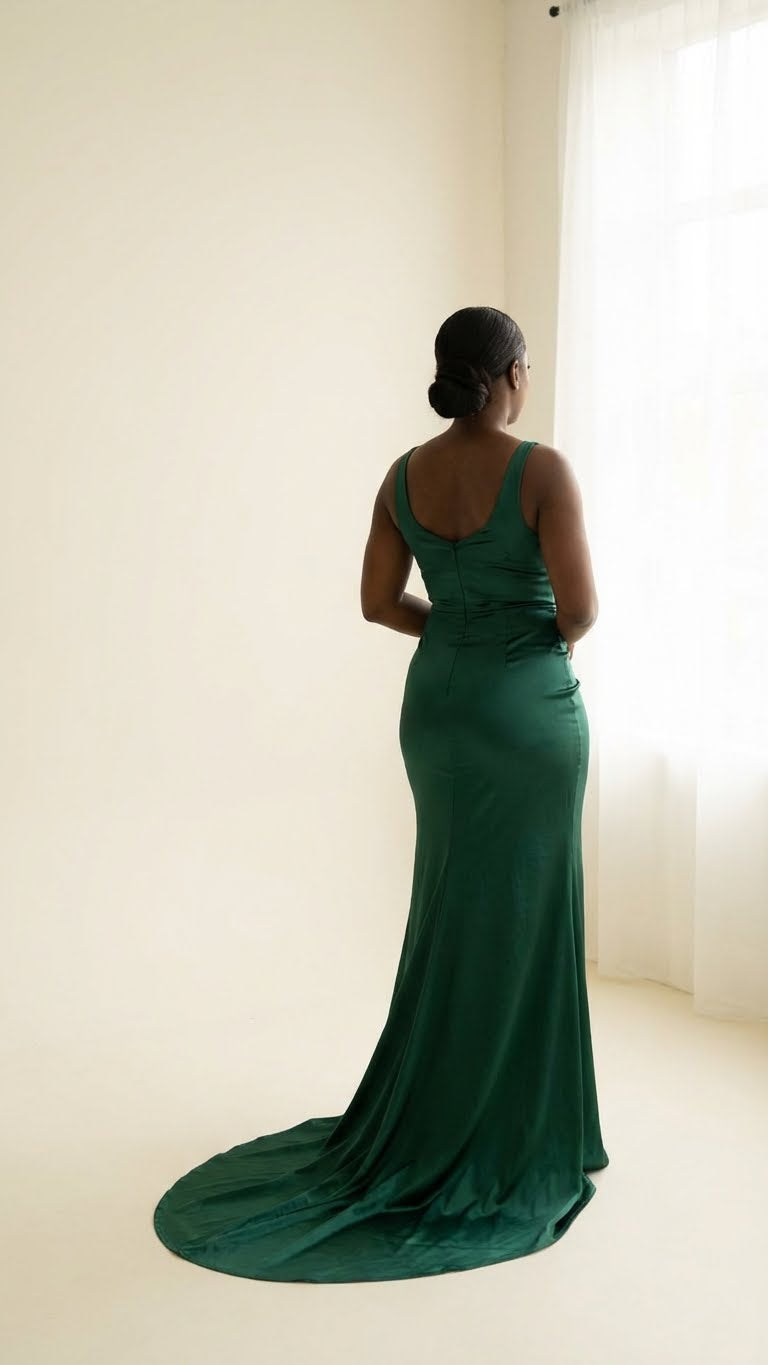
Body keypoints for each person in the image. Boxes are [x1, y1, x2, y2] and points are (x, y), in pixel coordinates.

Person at [153, 305, 610, 1284]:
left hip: (438, 712)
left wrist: (456, 632)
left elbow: (376, 601)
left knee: (454, 906)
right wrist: (511, 637)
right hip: (527, 713)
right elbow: (578, 611)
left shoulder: (403, 475)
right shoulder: (543, 471)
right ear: (512, 374)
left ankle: (444, 1107)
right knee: (527, 910)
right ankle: (514, 1128)